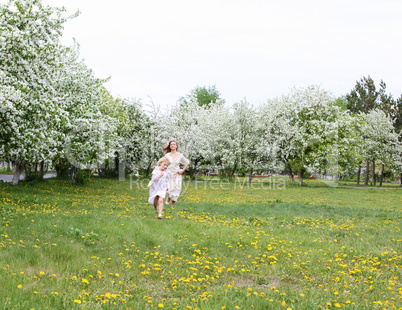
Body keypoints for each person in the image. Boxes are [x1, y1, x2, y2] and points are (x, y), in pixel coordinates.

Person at [163, 140, 189, 206]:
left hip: (177, 174)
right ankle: (168, 198)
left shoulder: (180, 155)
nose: (172, 145)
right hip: (169, 174)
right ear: (170, 146)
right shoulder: (167, 155)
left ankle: (172, 205)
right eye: (171, 144)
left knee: (176, 189)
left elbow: (187, 163)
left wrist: (182, 170)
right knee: (169, 188)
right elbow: (164, 163)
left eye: (174, 144)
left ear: (176, 146)